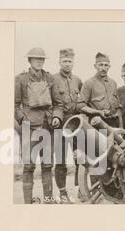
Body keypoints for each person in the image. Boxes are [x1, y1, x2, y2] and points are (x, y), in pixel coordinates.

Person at [14, 47, 64, 204]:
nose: (39, 62)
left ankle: (48, 199)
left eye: (42, 59)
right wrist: (23, 119)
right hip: (29, 128)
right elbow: (14, 105)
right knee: (28, 166)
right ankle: (28, 202)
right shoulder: (21, 79)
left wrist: (57, 116)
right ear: (29, 61)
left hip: (47, 125)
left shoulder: (49, 78)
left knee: (48, 165)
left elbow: (58, 103)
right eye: (36, 59)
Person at [52, 48, 86, 204]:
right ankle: (63, 192)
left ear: (73, 62)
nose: (67, 63)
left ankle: (81, 190)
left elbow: (82, 102)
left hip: (76, 124)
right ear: (59, 62)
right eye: (64, 61)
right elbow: (50, 103)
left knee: (80, 157)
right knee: (60, 161)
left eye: (70, 61)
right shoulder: (52, 80)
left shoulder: (78, 80)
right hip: (59, 124)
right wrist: (56, 118)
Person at [80, 52, 122, 128]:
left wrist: (121, 129)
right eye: (100, 65)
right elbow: (81, 106)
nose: (103, 68)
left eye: (106, 65)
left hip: (113, 125)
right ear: (95, 66)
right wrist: (99, 112)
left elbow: (118, 109)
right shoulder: (89, 83)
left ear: (109, 66)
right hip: (97, 125)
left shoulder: (113, 83)